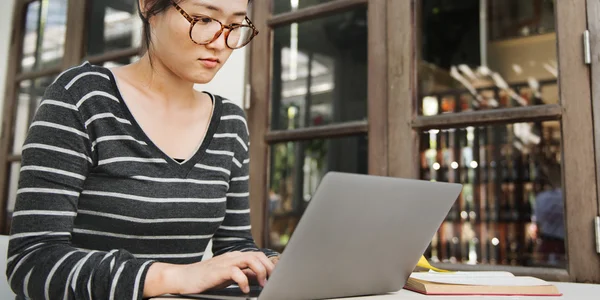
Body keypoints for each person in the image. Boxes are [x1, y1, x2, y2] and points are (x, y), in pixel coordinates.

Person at [5, 0, 279, 299]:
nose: (221, 42)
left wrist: (269, 265)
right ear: (149, 7)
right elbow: (31, 263)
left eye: (235, 25)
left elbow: (234, 246)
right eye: (202, 19)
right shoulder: (82, 97)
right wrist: (175, 276)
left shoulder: (229, 122)